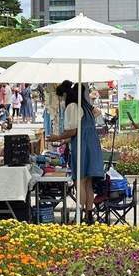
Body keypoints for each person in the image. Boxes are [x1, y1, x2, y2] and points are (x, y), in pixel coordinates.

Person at [51, 80, 104, 217]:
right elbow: (82, 130)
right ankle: (89, 214)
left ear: (64, 95)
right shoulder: (85, 106)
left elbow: (74, 131)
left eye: (60, 97)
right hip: (92, 146)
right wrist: (64, 141)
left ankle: (79, 216)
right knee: (88, 183)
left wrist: (56, 137)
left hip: (82, 148)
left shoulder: (72, 107)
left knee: (79, 181)